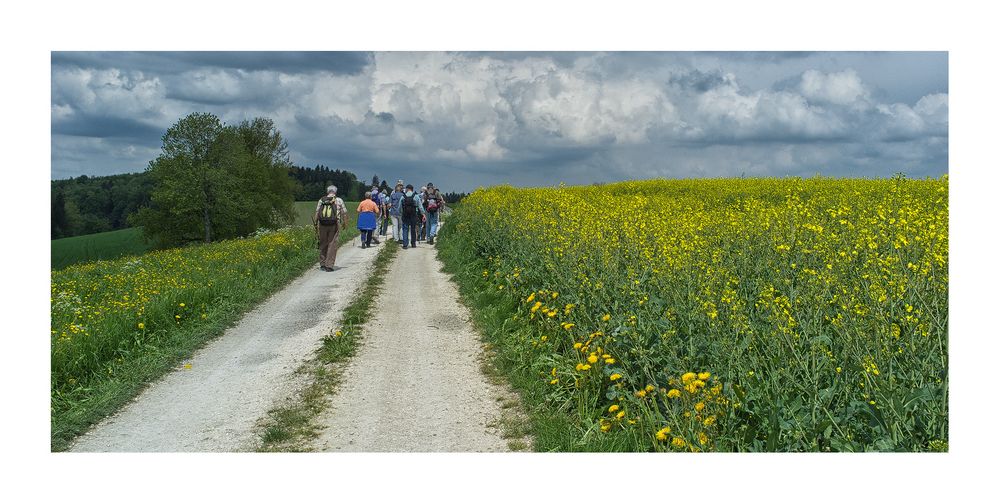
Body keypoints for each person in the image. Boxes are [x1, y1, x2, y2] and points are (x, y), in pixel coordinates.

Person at [313, 185, 348, 272]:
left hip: (322, 224)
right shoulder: (339, 200)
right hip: (334, 224)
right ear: (335, 192)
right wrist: (345, 223)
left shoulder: (322, 200)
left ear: (327, 191)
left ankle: (322, 264)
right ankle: (329, 265)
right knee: (332, 244)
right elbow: (344, 213)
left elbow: (317, 212)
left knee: (323, 242)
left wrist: (315, 223)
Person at [399, 184, 423, 249]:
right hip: (413, 215)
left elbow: (399, 208)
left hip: (405, 215)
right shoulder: (416, 196)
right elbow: (420, 207)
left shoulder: (403, 197)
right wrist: (423, 214)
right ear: (412, 189)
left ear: (407, 189)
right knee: (413, 229)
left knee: (405, 229)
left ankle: (405, 244)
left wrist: (401, 214)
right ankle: (413, 244)